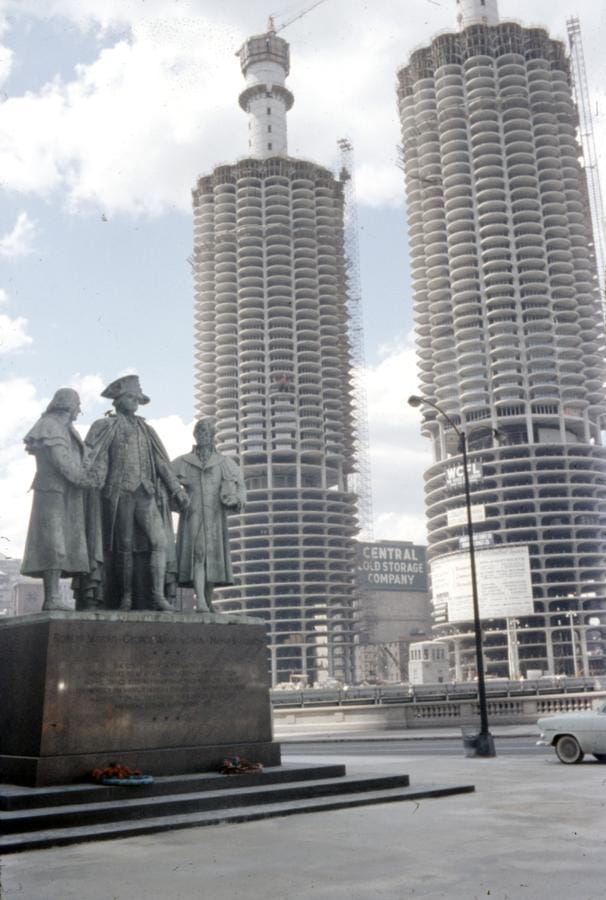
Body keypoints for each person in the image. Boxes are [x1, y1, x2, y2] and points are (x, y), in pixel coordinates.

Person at [84, 375, 189, 612]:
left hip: (145, 492)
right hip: (118, 493)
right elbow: (93, 458)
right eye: (131, 398)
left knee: (159, 541)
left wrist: (175, 489)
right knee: (125, 546)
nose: (135, 403)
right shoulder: (105, 426)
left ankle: (157, 596)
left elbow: (161, 463)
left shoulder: (146, 429)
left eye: (137, 399)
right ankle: (127, 596)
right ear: (118, 400)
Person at [21, 388, 93, 611]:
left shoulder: (68, 430)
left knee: (63, 543)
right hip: (51, 491)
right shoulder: (50, 426)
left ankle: (52, 597)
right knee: (54, 543)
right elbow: (62, 461)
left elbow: (79, 460)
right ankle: (51, 597)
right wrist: (85, 479)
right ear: (68, 404)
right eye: (77, 404)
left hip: (68, 495)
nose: (79, 410)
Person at [172, 418, 245, 612]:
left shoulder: (225, 463)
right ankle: (201, 602)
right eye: (199, 432)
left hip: (214, 516)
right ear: (195, 435)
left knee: (211, 558)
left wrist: (235, 500)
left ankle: (208, 600)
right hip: (193, 514)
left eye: (205, 433)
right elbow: (166, 481)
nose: (202, 436)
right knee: (198, 554)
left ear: (212, 436)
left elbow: (240, 488)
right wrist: (179, 498)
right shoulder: (183, 462)